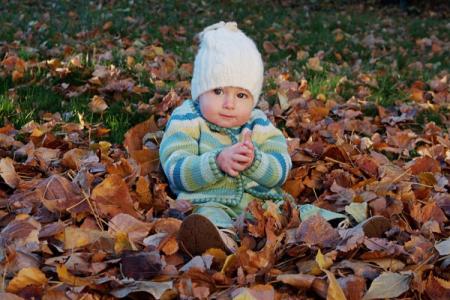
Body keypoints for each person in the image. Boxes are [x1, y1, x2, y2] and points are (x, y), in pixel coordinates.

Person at [158, 21, 292, 255]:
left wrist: (255, 162)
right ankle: (220, 241)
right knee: (207, 217)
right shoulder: (187, 118)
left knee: (292, 211)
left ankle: (334, 227)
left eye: (241, 95)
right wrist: (216, 161)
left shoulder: (258, 122)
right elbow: (175, 170)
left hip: (259, 203)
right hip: (209, 200)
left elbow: (281, 169)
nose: (229, 104)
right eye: (218, 91)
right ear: (200, 90)